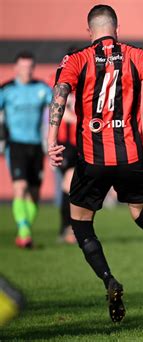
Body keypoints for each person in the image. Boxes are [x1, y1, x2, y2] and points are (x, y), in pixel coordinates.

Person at [46, 4, 143, 323]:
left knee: (80, 224)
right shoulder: (136, 54)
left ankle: (109, 280)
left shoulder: (77, 59)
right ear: (116, 29)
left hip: (93, 159)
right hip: (132, 156)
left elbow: (61, 92)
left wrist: (51, 140)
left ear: (89, 30)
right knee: (142, 219)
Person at [0, 51, 53, 249]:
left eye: (30, 67)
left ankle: (25, 229)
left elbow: (58, 106)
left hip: (36, 146)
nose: (27, 71)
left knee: (33, 193)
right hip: (15, 145)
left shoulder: (41, 88)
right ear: (15, 68)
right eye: (23, 67)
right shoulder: (6, 90)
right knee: (19, 187)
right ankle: (24, 232)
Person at [56, 92, 77, 244]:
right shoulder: (63, 86)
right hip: (67, 146)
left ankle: (68, 228)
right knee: (69, 182)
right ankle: (68, 228)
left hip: (83, 145)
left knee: (72, 186)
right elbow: (60, 112)